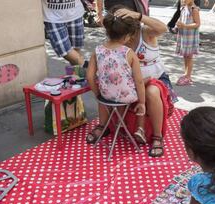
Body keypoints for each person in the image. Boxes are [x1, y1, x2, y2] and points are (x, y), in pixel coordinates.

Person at [87, 6, 175, 157]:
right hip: (130, 82)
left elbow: (163, 28)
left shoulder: (146, 32)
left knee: (151, 91)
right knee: (106, 85)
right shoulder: (116, 36)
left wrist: (139, 16)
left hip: (154, 79)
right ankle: (103, 126)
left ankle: (157, 137)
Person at [85, 12, 146, 144]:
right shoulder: (129, 53)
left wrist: (98, 94)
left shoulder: (97, 50)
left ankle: (105, 125)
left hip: (106, 96)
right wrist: (142, 102)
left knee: (111, 89)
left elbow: (89, 77)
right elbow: (139, 81)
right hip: (127, 96)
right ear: (125, 36)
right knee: (147, 81)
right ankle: (135, 127)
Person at [41, 0, 85, 66]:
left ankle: (79, 74)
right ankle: (90, 68)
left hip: (76, 13)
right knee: (65, 50)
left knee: (76, 50)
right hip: (52, 18)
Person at [175, 0, 200, 85]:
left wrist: (185, 26)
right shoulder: (183, 8)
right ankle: (186, 73)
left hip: (190, 37)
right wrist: (177, 25)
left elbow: (197, 24)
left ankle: (188, 77)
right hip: (184, 36)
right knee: (185, 56)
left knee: (189, 57)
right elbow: (181, 19)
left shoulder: (194, 9)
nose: (183, 0)